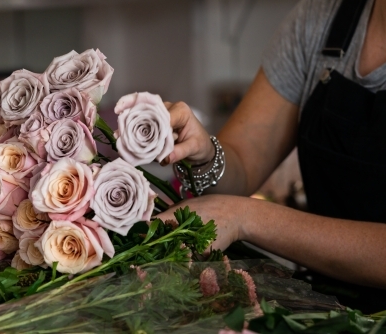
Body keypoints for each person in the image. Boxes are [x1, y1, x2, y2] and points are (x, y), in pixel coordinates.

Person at [158, 0, 386, 313]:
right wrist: (205, 155)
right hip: (327, 309)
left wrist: (245, 217)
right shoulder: (320, 20)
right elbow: (242, 162)